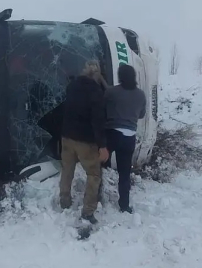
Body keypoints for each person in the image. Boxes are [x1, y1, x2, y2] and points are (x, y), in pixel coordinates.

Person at [59, 60, 109, 224]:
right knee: (94, 175)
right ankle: (88, 212)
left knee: (67, 171)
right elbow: (98, 121)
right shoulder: (96, 92)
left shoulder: (72, 86)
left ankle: (64, 202)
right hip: (85, 142)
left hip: (67, 137)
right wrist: (102, 145)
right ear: (97, 76)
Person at [104, 64, 146, 214]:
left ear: (120, 76)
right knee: (124, 173)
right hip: (129, 137)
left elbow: (103, 101)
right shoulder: (141, 95)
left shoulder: (113, 92)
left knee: (99, 164)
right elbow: (141, 115)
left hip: (113, 134)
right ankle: (124, 205)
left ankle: (96, 197)